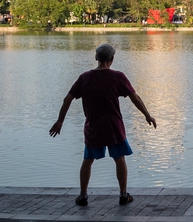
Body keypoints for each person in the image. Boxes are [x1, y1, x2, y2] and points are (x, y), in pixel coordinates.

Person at [49, 44, 157, 206]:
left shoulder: (84, 78)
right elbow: (135, 97)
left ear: (96, 58)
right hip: (114, 126)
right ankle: (122, 195)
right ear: (112, 60)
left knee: (88, 159)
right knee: (119, 159)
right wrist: (147, 115)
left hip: (93, 126)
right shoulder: (118, 77)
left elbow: (67, 99)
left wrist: (60, 121)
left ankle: (83, 196)